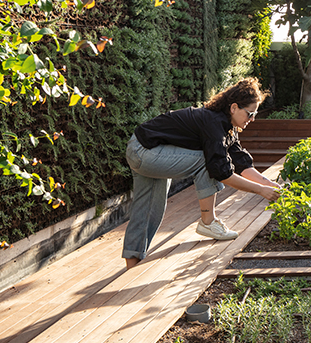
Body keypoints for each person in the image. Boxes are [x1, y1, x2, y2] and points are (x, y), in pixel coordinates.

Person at [121, 77, 282, 269]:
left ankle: (131, 266)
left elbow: (241, 163)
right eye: (250, 114)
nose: (253, 119)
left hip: (143, 148)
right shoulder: (213, 124)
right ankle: (208, 221)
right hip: (145, 152)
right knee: (208, 161)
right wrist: (260, 191)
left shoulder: (226, 127)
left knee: (149, 210)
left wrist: (270, 185)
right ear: (234, 108)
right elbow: (221, 171)